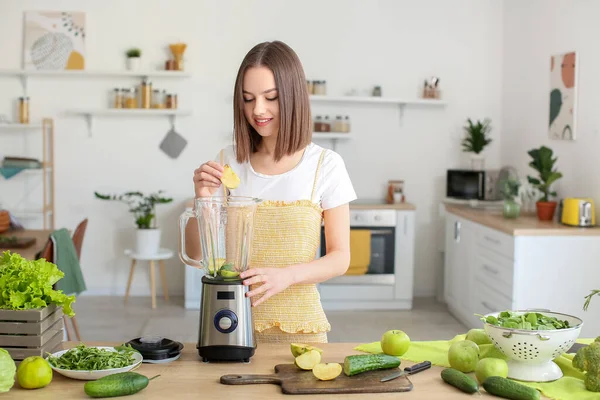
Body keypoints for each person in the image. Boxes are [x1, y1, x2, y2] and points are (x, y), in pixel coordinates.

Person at [188, 40, 356, 344]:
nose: (258, 110)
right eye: (248, 99)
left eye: (271, 97)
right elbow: (199, 253)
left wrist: (285, 276)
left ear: (292, 97)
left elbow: (340, 258)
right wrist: (200, 198)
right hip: (230, 328)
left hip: (302, 332)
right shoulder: (229, 162)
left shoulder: (325, 165)